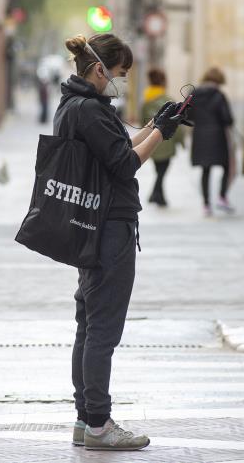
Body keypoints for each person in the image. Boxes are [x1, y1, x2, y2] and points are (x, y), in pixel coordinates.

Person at [57, 33, 181, 450]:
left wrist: (155, 124)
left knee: (88, 326)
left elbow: (116, 149)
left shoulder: (78, 106)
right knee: (103, 331)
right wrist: (161, 135)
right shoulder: (90, 111)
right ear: (99, 70)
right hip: (109, 227)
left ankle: (84, 419)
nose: (123, 82)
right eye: (121, 74)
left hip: (91, 224)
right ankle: (98, 424)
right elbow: (125, 164)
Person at [190, 67, 235, 216]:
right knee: (226, 166)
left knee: (205, 170)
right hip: (217, 136)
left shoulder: (194, 94)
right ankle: (222, 196)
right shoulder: (219, 95)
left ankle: (206, 204)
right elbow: (228, 118)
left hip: (200, 136)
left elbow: (186, 114)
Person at [141, 68, 183, 207]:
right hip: (166, 142)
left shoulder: (146, 101)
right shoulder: (168, 100)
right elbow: (177, 123)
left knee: (159, 170)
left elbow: (143, 123)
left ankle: (157, 195)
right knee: (162, 171)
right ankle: (157, 195)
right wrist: (180, 141)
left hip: (151, 142)